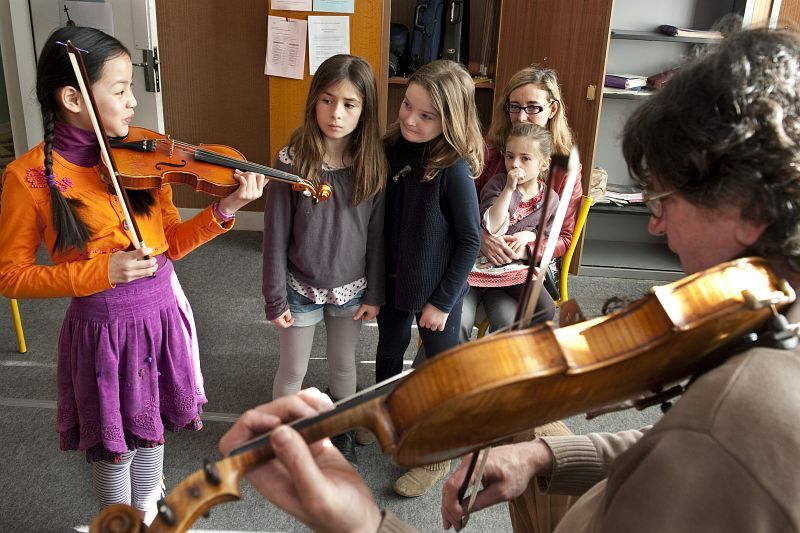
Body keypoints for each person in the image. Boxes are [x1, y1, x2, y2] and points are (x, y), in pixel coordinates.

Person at [218, 28, 800, 533]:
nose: (653, 220)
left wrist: (362, 522)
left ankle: (436, 443)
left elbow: (699, 442)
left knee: (481, 362)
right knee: (524, 405)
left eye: (665, 197)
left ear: (748, 208)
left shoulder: (743, 417)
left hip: (473, 291)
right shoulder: (759, 330)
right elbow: (663, 440)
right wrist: (550, 456)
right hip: (418, 297)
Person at [0, 27, 266, 524]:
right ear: (74, 97)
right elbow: (11, 276)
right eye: (120, 89)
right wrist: (99, 270)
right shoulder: (28, 177)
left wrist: (225, 208)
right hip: (103, 331)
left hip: (162, 316)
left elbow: (172, 244)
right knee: (115, 445)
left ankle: (148, 509)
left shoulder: (143, 154)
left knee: (153, 428)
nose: (132, 101)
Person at [262, 54, 387, 466]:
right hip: (300, 288)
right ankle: (283, 437)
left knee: (344, 368)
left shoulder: (371, 164)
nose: (336, 114)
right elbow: (275, 236)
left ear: (364, 110)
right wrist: (275, 297)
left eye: (350, 104)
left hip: (351, 289)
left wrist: (374, 290)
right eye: (328, 100)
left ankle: (342, 432)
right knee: (292, 371)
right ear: (314, 100)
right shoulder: (292, 161)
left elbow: (375, 235)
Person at [375, 59, 482, 497]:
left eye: (425, 115)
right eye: (406, 106)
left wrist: (441, 302)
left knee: (441, 371)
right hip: (395, 281)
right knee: (388, 351)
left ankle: (439, 453)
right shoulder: (392, 147)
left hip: (438, 290)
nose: (410, 119)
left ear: (450, 119)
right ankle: (384, 417)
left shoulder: (453, 168)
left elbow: (470, 242)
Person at [462, 67, 583, 341]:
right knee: (455, 320)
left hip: (521, 268)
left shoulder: (565, 169)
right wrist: (482, 237)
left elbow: (562, 236)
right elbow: (459, 210)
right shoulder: (487, 151)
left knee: (512, 325)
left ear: (552, 109)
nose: (521, 116)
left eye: (532, 107)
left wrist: (527, 246)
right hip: (473, 258)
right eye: (514, 106)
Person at [464, 122, 558, 335]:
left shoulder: (550, 198)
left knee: (546, 309)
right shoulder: (498, 184)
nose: (515, 164)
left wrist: (529, 236)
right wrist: (509, 188)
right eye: (510, 156)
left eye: (525, 158)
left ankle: (522, 357)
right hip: (481, 265)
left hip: (513, 269)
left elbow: (546, 235)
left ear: (543, 164)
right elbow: (492, 225)